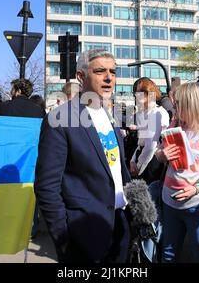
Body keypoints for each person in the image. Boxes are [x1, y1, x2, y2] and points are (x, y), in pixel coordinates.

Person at [35, 49, 131, 263]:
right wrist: (64, 239)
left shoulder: (109, 115)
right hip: (83, 235)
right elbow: (46, 187)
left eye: (113, 72)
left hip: (119, 226)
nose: (109, 78)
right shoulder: (60, 118)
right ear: (81, 77)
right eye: (100, 71)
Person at [155, 83, 199, 263]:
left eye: (178, 103)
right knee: (168, 254)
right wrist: (162, 155)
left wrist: (196, 188)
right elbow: (159, 154)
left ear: (192, 103)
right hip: (169, 201)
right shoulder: (175, 126)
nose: (175, 108)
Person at [130, 77, 169, 185]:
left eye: (139, 92)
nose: (136, 95)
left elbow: (151, 146)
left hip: (152, 162)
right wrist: (133, 160)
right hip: (141, 158)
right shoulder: (141, 113)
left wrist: (138, 167)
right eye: (136, 93)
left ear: (148, 93)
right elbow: (141, 142)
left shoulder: (159, 112)